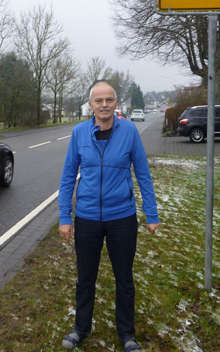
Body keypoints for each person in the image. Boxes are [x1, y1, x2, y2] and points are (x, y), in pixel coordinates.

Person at [58, 82, 161, 352]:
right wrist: (65, 217)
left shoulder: (129, 131)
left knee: (124, 278)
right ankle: (81, 327)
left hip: (122, 218)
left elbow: (143, 173)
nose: (104, 105)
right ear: (90, 105)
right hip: (87, 218)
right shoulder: (79, 133)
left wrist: (151, 213)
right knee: (85, 278)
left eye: (109, 100)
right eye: (98, 100)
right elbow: (68, 176)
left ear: (116, 104)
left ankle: (127, 334)